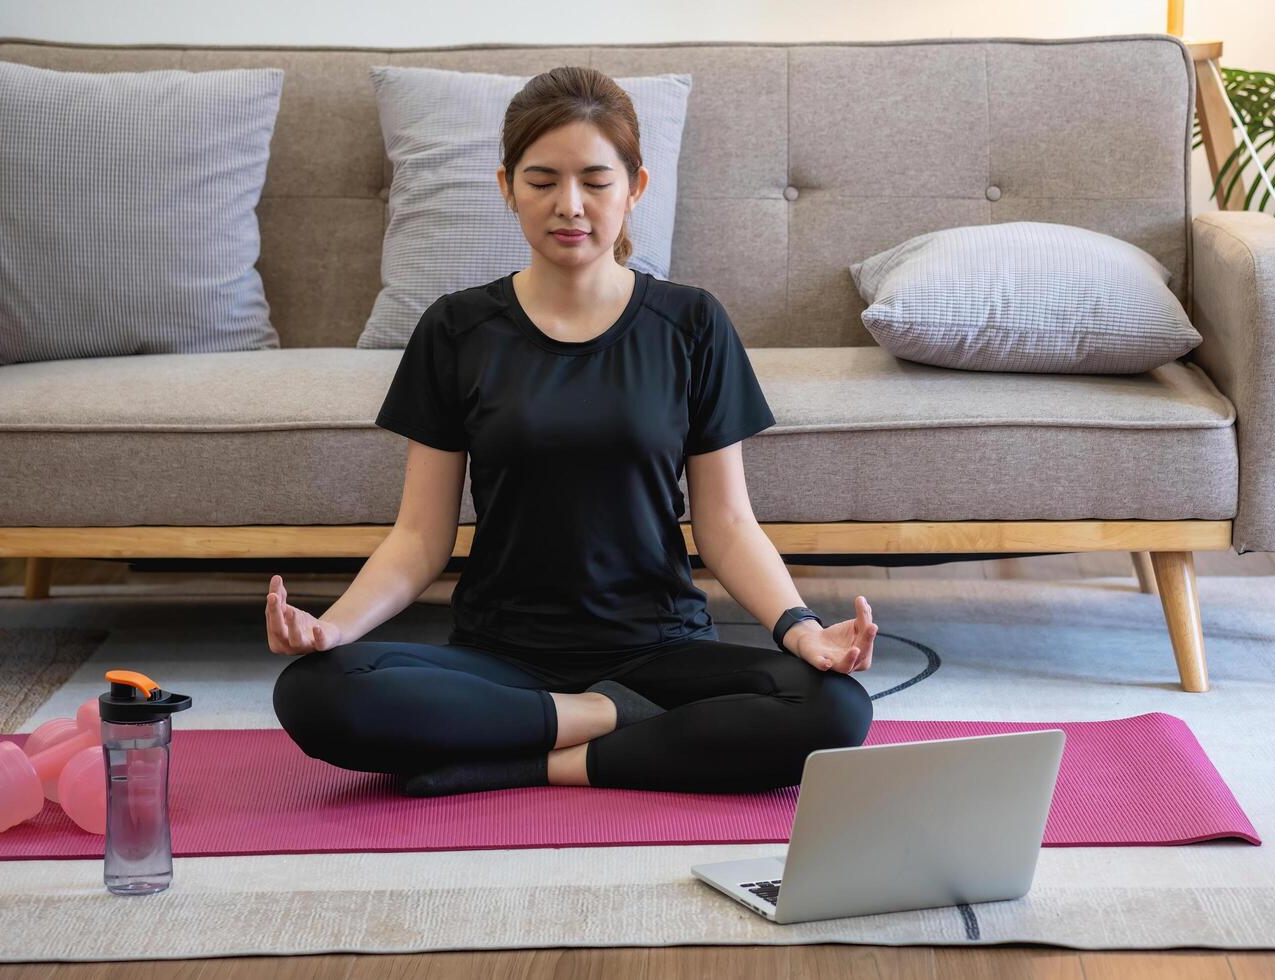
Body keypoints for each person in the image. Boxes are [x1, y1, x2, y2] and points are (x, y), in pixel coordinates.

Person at [269, 66, 878, 798]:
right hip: (502, 654)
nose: (570, 206)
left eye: (595, 180)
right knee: (314, 692)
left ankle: (537, 759)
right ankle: (601, 719)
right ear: (505, 187)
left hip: (661, 648)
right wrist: (333, 630)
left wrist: (800, 630)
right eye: (541, 180)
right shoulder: (456, 330)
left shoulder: (691, 323)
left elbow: (726, 524)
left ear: (635, 188)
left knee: (835, 707)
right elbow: (419, 538)